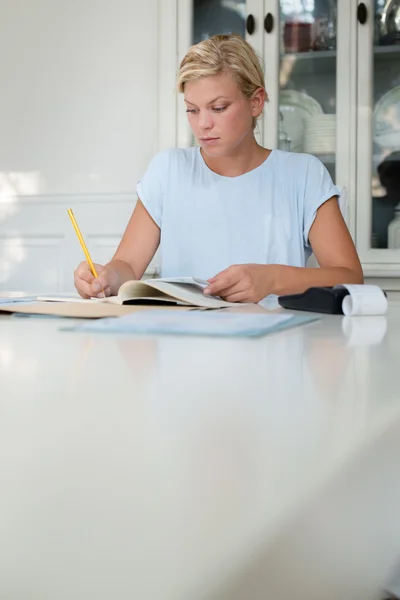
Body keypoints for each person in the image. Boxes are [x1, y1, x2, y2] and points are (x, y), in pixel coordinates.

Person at [74, 34, 363, 303]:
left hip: (275, 348)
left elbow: (350, 278)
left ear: (256, 102)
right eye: (192, 109)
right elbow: (127, 265)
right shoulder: (167, 170)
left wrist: (272, 279)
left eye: (219, 107)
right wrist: (108, 277)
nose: (203, 124)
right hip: (183, 346)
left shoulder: (304, 175)